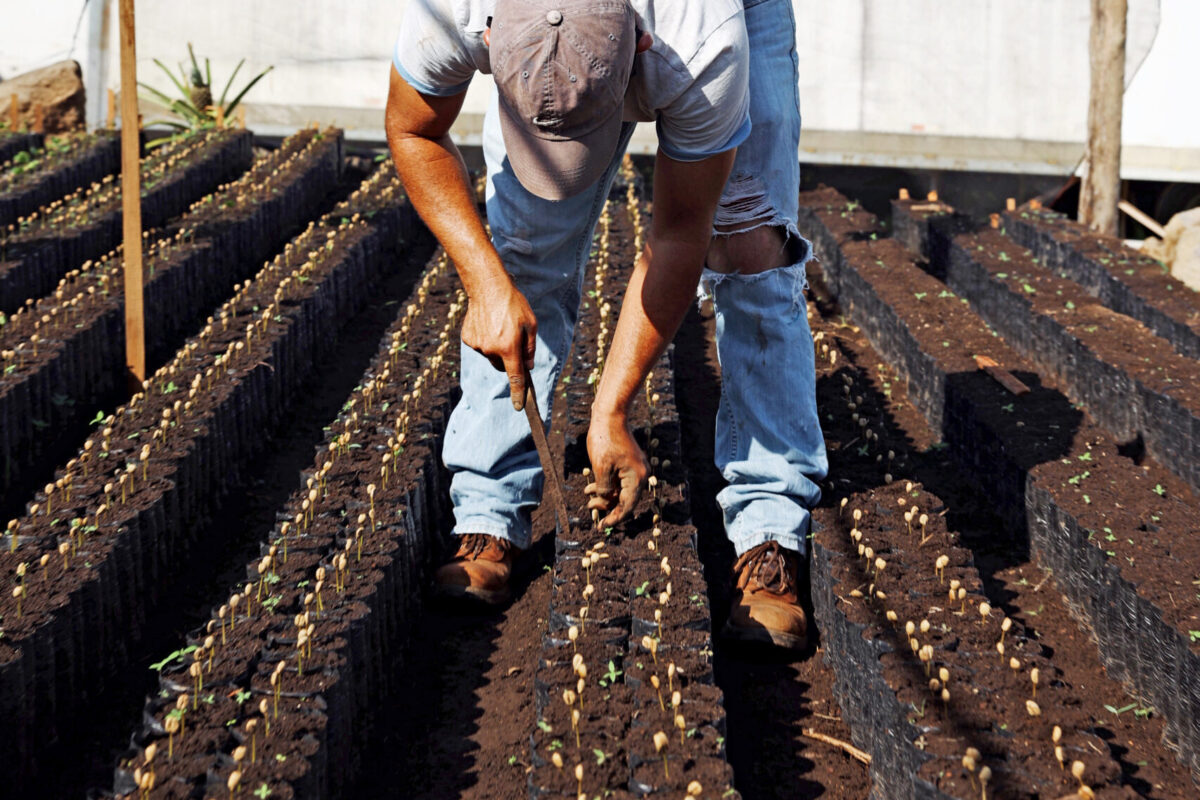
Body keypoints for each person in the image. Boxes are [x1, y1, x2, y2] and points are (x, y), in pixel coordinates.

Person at [385, 0, 827, 649]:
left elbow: (679, 233)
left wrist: (610, 411)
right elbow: (413, 130)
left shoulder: (703, 42)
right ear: (489, 36)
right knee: (525, 249)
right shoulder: (454, 11)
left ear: (641, 50)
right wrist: (484, 283)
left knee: (748, 246)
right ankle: (488, 507)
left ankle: (769, 525)